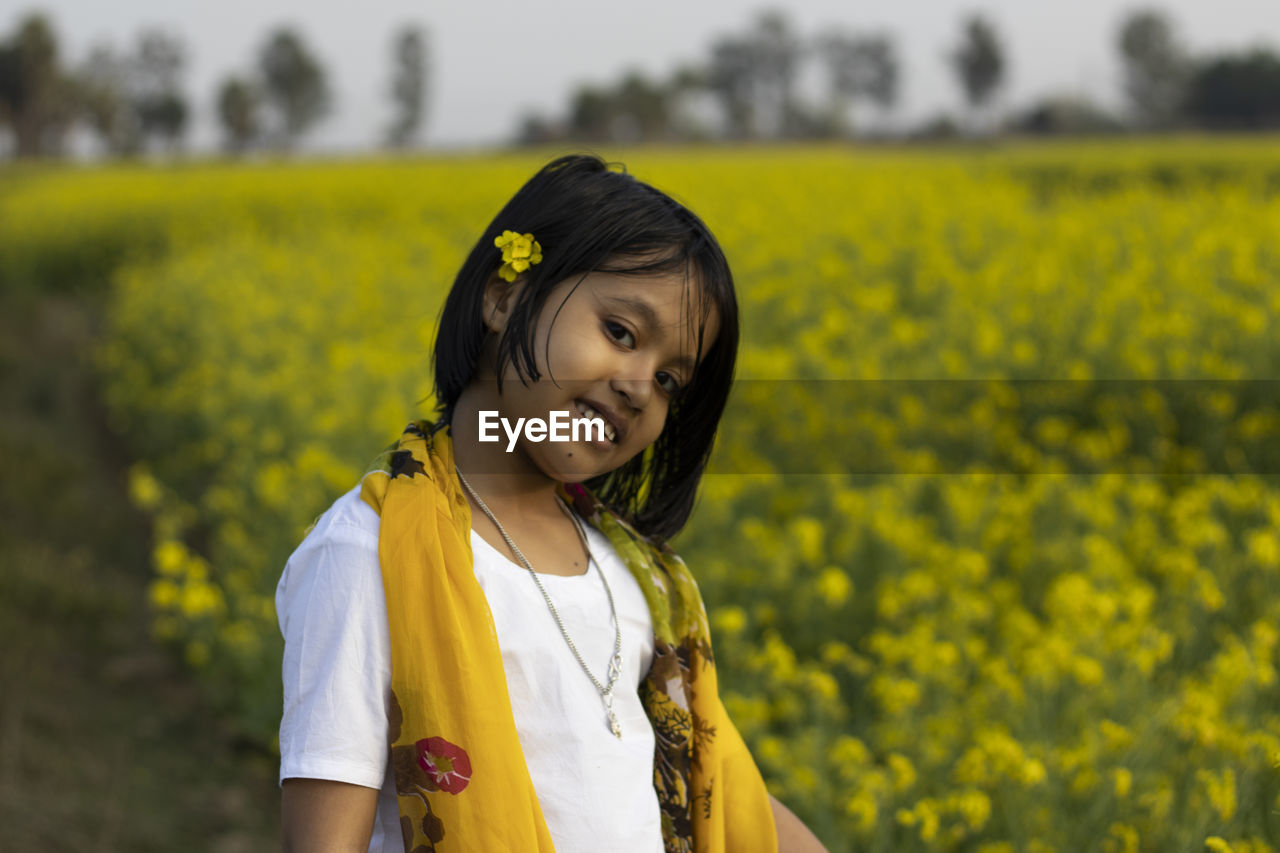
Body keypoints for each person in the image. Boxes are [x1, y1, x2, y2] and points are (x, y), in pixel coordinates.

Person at [277, 154, 828, 852]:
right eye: (620, 332)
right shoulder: (366, 554)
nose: (638, 386)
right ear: (505, 296)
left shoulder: (639, 579)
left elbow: (716, 787)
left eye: (669, 379)